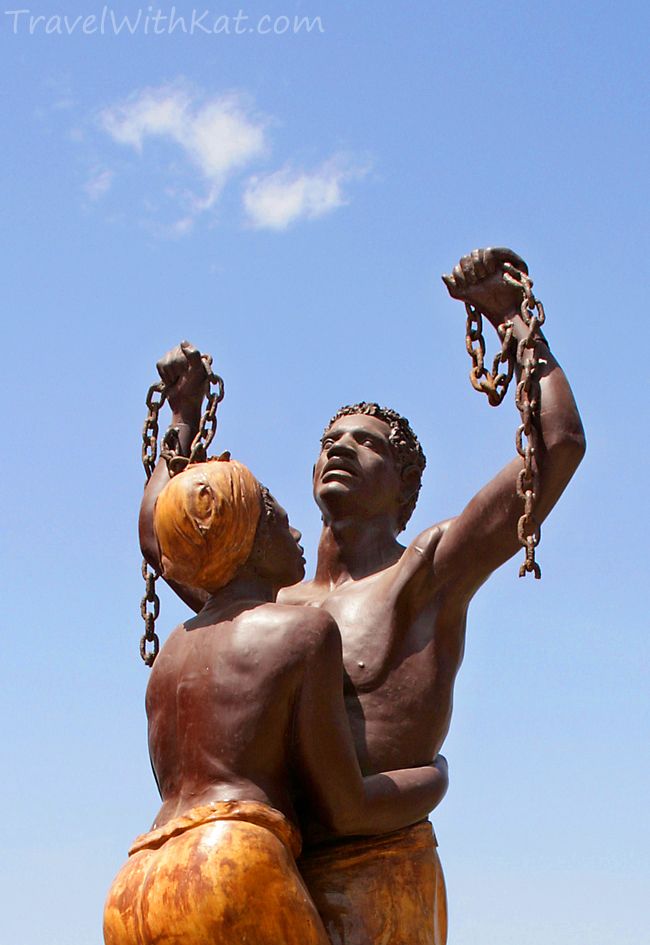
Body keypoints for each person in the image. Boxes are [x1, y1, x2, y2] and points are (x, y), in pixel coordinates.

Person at [139, 247, 586, 945]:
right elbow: (165, 542)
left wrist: (515, 324)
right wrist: (184, 423)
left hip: (379, 869)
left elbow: (555, 448)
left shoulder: (425, 572)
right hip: (269, 871)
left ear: (404, 488)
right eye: (330, 440)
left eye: (367, 444)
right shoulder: (268, 602)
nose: (341, 448)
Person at [106, 455, 449, 945]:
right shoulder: (302, 631)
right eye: (283, 524)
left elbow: (157, 535)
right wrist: (433, 777)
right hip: (230, 861)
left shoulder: (172, 653)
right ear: (252, 536)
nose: (299, 535)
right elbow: (345, 808)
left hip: (137, 884)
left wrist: (177, 436)